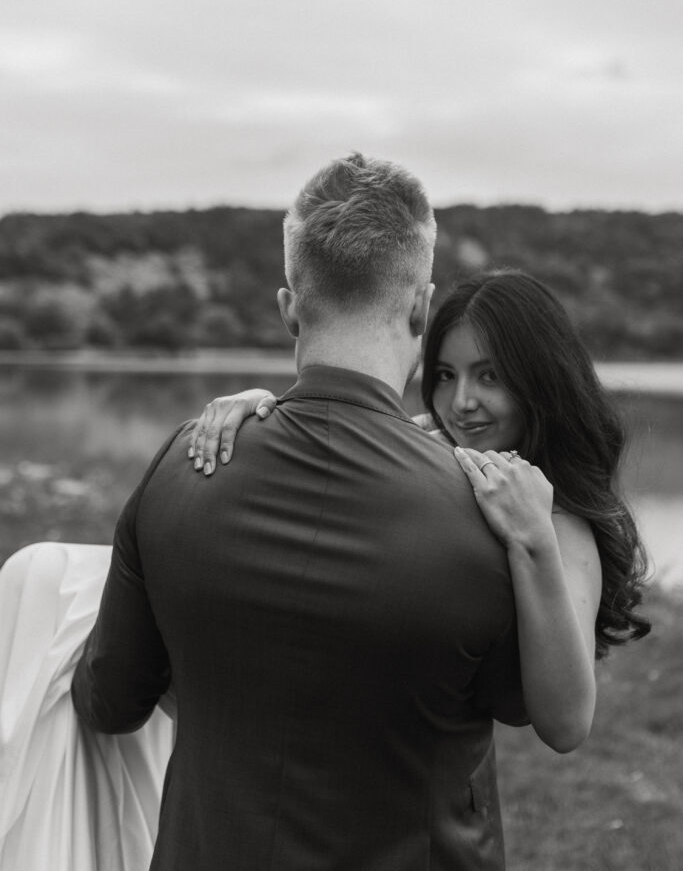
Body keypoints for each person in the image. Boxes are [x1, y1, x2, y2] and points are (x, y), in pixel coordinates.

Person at [65, 153, 533, 870]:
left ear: (289, 308)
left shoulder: (182, 469)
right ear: (418, 307)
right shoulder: (486, 509)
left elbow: (111, 701)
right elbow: (517, 700)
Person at [188, 270, 651, 752]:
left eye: (489, 375)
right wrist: (263, 409)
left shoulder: (560, 523)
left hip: (436, 785)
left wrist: (531, 537)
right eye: (446, 376)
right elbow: (338, 431)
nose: (462, 403)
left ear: (541, 381)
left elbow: (568, 725)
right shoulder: (437, 441)